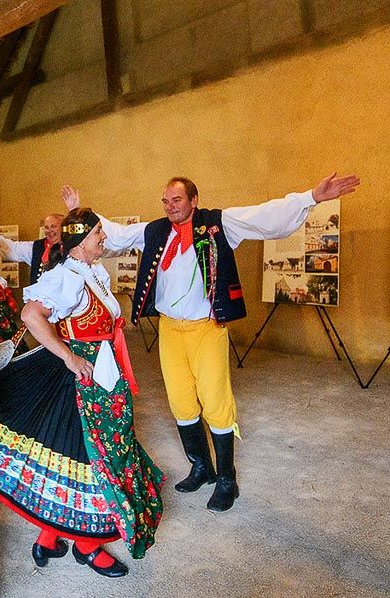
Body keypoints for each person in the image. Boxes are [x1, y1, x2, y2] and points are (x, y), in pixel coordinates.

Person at [74, 172, 360, 512]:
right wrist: (82, 213)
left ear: (194, 200)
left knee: (215, 401)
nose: (170, 207)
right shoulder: (155, 231)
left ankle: (227, 479)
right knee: (180, 400)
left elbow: (264, 217)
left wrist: (311, 197)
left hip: (207, 328)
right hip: (169, 329)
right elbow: (117, 235)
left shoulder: (218, 224)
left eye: (177, 200)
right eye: (165, 201)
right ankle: (201, 467)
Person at [0, 208, 164, 579]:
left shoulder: (92, 271)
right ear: (79, 242)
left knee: (72, 449)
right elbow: (31, 315)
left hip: (101, 369)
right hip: (83, 375)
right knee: (90, 453)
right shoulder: (68, 277)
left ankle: (48, 537)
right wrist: (69, 356)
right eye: (97, 233)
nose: (103, 238)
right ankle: (87, 546)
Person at [0, 210, 64, 286]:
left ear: (63, 227)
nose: (49, 231)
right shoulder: (36, 247)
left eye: (53, 226)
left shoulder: (71, 249)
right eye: (46, 227)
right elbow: (11, 248)